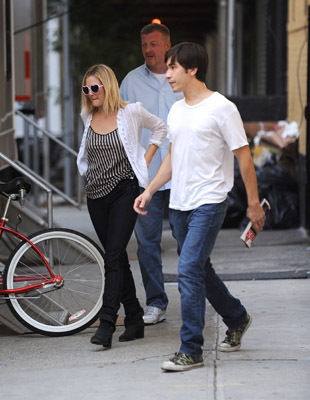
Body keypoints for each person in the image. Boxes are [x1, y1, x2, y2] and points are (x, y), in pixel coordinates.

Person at [133, 42, 266, 371]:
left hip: (209, 202)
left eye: (174, 68)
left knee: (188, 270)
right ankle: (237, 317)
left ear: (192, 69)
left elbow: (244, 158)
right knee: (199, 269)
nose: (168, 75)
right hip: (178, 205)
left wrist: (253, 205)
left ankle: (191, 348)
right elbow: (174, 159)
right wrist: (150, 190)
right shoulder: (177, 110)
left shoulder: (222, 108)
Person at [77, 64, 166, 348]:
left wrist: (145, 160)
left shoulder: (131, 111)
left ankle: (106, 324)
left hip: (124, 191)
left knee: (112, 257)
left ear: (108, 86)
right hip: (95, 196)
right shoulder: (87, 116)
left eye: (95, 87)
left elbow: (161, 128)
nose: (90, 94)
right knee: (116, 258)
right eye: (86, 89)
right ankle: (135, 318)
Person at [120, 23, 182, 325]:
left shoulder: (181, 78)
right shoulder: (130, 82)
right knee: (146, 244)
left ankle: (193, 295)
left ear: (167, 45)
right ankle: (156, 303)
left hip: (183, 175)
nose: (148, 49)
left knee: (188, 244)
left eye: (154, 44)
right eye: (144, 44)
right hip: (147, 178)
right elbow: (118, 124)